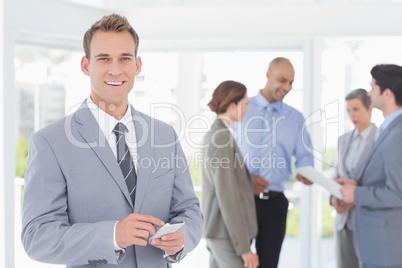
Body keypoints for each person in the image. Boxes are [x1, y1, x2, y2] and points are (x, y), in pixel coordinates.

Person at [21, 14, 203, 268]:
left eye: (124, 58)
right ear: (86, 66)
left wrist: (182, 239)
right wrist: (112, 236)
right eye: (104, 58)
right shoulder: (50, 142)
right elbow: (37, 237)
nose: (115, 70)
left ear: (137, 65)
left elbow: (189, 210)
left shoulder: (164, 135)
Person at [232, 57, 314, 268]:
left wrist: (307, 171)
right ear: (268, 74)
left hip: (275, 203)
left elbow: (305, 156)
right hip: (242, 200)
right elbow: (224, 157)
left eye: (291, 83)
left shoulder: (295, 118)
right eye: (282, 80)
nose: (287, 87)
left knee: (269, 264)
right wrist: (245, 179)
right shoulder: (241, 108)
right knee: (236, 262)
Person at [338, 64, 402, 268]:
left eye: (373, 88)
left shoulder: (397, 134)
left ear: (387, 93)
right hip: (376, 240)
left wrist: (357, 194)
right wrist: (356, 184)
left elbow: (398, 193)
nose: (369, 92)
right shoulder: (390, 128)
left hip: (385, 245)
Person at [202, 81, 259, 268]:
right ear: (232, 105)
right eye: (246, 103)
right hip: (223, 233)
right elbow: (228, 196)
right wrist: (243, 248)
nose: (247, 109)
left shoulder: (220, 134)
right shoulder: (221, 138)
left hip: (221, 232)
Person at [331, 89, 377, 268]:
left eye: (356, 109)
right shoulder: (343, 141)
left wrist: (355, 194)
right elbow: (337, 177)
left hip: (368, 220)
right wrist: (334, 198)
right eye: (348, 110)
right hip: (343, 221)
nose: (352, 115)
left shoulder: (381, 139)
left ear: (370, 108)